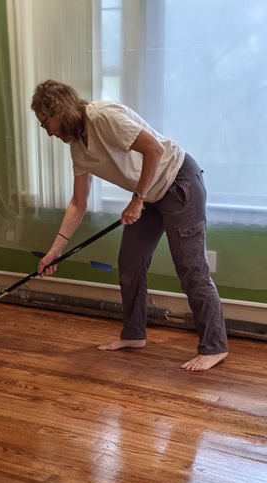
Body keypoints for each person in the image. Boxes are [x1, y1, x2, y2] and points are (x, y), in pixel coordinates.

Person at [31, 79, 228, 372]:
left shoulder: (102, 117)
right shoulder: (77, 149)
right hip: (147, 193)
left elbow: (154, 150)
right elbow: (78, 203)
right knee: (130, 262)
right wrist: (55, 250)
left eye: (47, 123)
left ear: (60, 108)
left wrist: (137, 200)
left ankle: (215, 346)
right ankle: (134, 334)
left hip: (179, 183)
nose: (49, 133)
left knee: (190, 267)